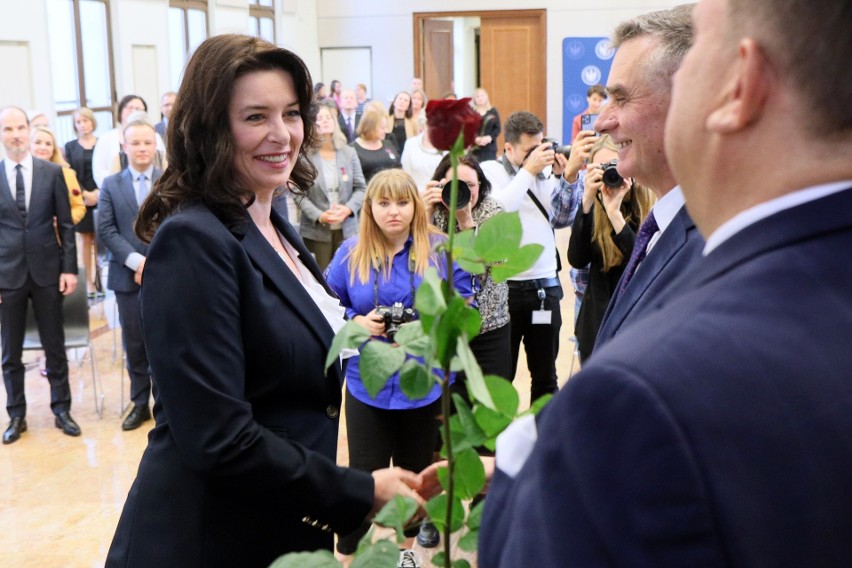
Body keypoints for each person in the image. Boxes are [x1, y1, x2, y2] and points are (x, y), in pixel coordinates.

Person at [479, 0, 852, 565]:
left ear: (738, 85)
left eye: (698, 51)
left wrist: (532, 460)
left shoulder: (637, 398)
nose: (601, 120)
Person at [105, 35, 422, 567]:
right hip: (207, 537)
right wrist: (359, 491)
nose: (282, 134)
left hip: (274, 523)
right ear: (209, 129)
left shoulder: (274, 222)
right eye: (255, 117)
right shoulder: (194, 240)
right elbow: (217, 436)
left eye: (292, 113)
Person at [325, 169, 475, 565]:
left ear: (416, 206)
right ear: (369, 207)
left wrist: (429, 322)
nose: (394, 212)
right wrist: (355, 322)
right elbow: (323, 305)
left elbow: (464, 304)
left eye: (403, 202)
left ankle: (406, 554)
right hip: (366, 384)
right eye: (384, 203)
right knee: (362, 478)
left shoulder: (440, 249)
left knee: (416, 477)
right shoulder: (349, 253)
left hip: (422, 383)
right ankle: (348, 555)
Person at [592, 5, 704, 355]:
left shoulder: (713, 248)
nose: (601, 122)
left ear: (689, 100)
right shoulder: (669, 226)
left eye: (621, 98)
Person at [479, 111, 574, 402]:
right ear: (507, 148)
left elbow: (563, 219)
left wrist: (562, 177)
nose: (538, 155)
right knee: (500, 377)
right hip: (503, 290)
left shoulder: (545, 173)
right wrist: (528, 171)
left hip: (544, 288)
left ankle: (541, 443)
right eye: (528, 150)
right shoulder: (490, 170)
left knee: (546, 377)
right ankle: (498, 444)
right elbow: (497, 211)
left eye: (540, 146)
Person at [0, 106, 79, 444]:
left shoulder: (51, 173)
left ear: (29, 131)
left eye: (20, 127)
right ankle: (16, 414)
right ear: (1, 135)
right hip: (8, 275)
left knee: (55, 345)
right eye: (8, 129)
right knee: (10, 352)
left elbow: (67, 225)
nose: (16, 134)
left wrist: (69, 269)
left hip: (48, 272)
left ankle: (61, 408)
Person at [96, 119, 161, 431]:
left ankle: (166, 403)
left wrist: (154, 263)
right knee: (134, 343)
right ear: (125, 147)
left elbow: (179, 223)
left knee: (165, 342)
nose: (142, 148)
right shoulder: (111, 185)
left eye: (147, 142)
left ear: (155, 145)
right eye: (135, 143)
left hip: (166, 275)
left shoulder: (169, 181)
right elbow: (106, 230)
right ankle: (139, 404)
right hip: (127, 277)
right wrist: (138, 263)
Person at [567, 135, 654, 362]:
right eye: (602, 168)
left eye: (614, 165)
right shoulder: (594, 205)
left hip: (635, 322)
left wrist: (615, 215)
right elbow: (577, 259)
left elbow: (643, 263)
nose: (610, 174)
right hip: (596, 326)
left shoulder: (648, 204)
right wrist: (586, 204)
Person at [423, 154, 510, 380]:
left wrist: (466, 223)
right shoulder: (435, 211)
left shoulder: (494, 212)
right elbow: (416, 258)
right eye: (454, 185)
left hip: (488, 327)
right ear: (440, 185)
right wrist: (424, 214)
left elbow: (492, 263)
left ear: (481, 185)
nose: (464, 191)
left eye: (470, 185)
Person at [298, 105, 366, 270]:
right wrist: (320, 216)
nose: (325, 121)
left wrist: (348, 209)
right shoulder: (304, 155)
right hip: (316, 231)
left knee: (348, 275)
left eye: (328, 117)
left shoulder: (349, 153)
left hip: (348, 229)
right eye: (319, 118)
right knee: (321, 280)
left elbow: (361, 188)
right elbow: (298, 194)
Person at [64, 107, 101, 296]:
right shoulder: (70, 146)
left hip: (102, 195)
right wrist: (85, 194)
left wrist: (98, 192)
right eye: (78, 122)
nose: (82, 124)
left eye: (85, 120)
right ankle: (89, 283)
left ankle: (100, 281)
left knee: (101, 241)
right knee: (86, 240)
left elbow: (106, 169)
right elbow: (70, 174)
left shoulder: (101, 143)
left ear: (92, 122)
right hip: (82, 197)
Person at [91, 94, 165, 187]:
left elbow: (162, 162)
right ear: (121, 111)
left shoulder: (155, 136)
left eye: (138, 109)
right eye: (130, 108)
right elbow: (99, 172)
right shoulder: (106, 138)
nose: (134, 111)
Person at [29, 126, 87, 225]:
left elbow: (79, 207)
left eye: (48, 144)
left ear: (53, 150)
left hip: (58, 236)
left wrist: (63, 220)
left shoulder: (67, 174)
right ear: (29, 146)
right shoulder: (20, 173)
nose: (43, 147)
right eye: (37, 142)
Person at [352, 106, 401, 183]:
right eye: (382, 128)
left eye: (386, 127)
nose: (386, 131)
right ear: (370, 127)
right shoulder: (353, 149)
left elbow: (398, 167)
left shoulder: (388, 144)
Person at [400, 123, 446, 192]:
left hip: (438, 194)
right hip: (415, 193)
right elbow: (405, 173)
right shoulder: (411, 143)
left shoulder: (447, 147)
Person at [470, 88, 501, 162]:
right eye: (477, 96)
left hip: (489, 148)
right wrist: (475, 139)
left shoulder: (493, 111)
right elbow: (468, 129)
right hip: (475, 148)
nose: (480, 98)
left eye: (482, 96)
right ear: (474, 99)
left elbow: (497, 128)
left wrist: (489, 138)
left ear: (486, 97)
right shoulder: (471, 112)